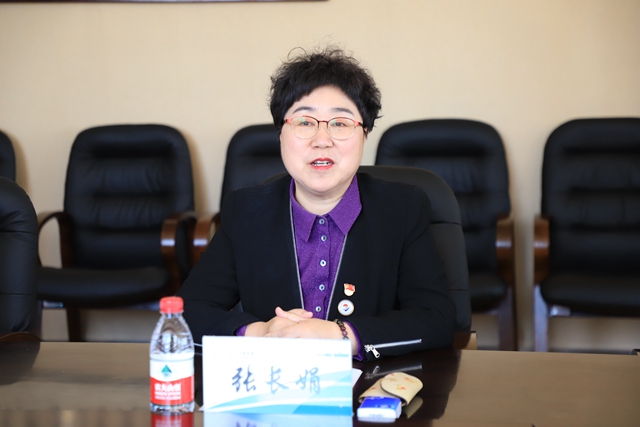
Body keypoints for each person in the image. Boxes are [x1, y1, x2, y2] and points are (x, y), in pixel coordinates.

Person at [178, 46, 457, 360]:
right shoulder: (245, 212)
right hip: (274, 382)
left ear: (364, 134)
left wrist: (340, 335)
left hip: (370, 387)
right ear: (281, 134)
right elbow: (185, 313)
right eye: (304, 122)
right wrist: (260, 333)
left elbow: (437, 319)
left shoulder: (402, 209)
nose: (322, 140)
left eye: (340, 123)